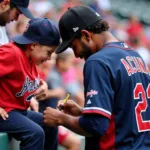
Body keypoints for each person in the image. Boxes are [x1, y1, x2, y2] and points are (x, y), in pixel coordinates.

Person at [43, 5, 150, 150]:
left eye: (74, 46)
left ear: (86, 35)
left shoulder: (98, 61)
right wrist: (83, 112)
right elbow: (124, 114)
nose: (75, 55)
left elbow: (95, 126)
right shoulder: (135, 56)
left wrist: (60, 118)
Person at [0, 17, 60, 150]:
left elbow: (25, 79)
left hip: (17, 111)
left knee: (50, 124)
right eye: (49, 52)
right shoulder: (12, 53)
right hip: (5, 112)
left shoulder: (31, 58)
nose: (49, 58)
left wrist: (42, 85)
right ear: (33, 45)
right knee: (35, 133)